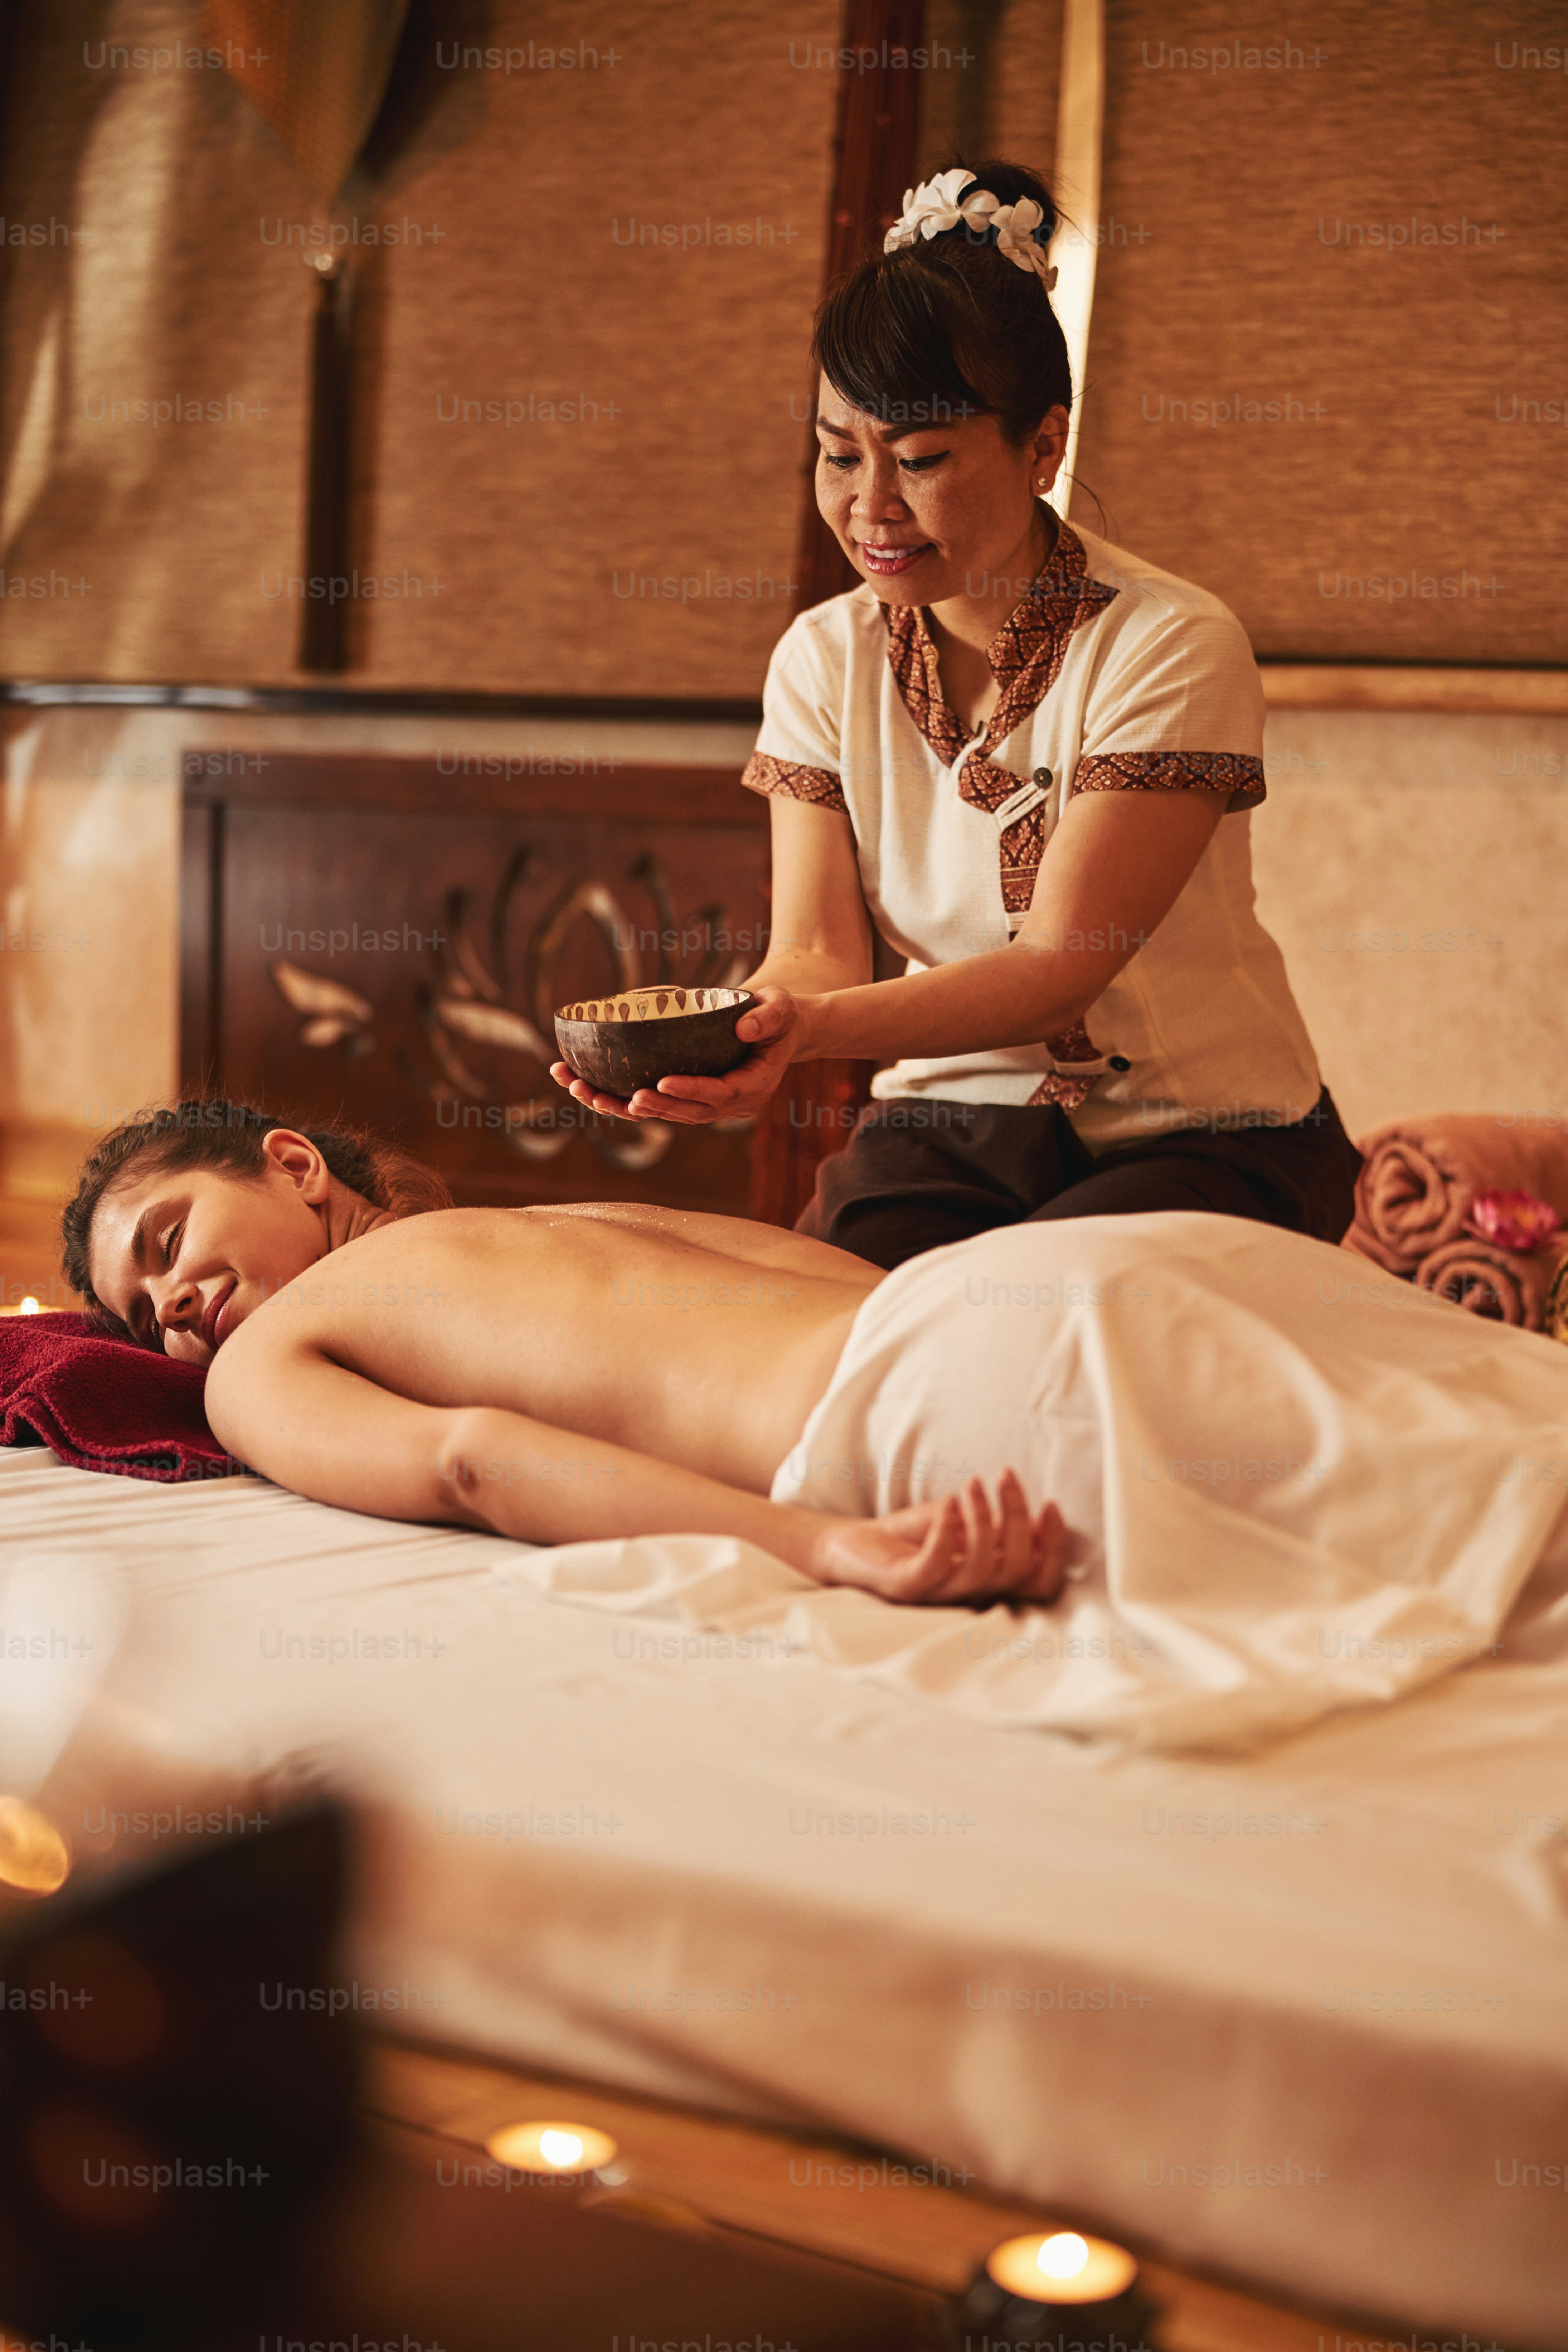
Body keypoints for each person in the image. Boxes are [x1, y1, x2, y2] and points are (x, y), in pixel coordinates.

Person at [550, 160, 1361, 1270]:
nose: (870, 508)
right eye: (839, 454)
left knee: (1032, 1328)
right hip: (956, 1132)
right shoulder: (823, 659)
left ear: (1044, 446)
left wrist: (802, 1036)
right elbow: (816, 952)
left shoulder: (1171, 643)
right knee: (822, 1335)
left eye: (922, 460)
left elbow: (1063, 965)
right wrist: (726, 1042)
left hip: (1207, 1134)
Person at [62, 1104, 1568, 1694]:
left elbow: (474, 1464)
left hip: (936, 1368)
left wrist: (824, 1544)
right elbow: (796, 1262)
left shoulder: (286, 1349)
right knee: (1498, 1443)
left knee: (1475, 1536)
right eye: (147, 1318)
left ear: (296, 1161)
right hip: (1053, 1282)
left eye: (167, 1245)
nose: (178, 1311)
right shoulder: (548, 1222)